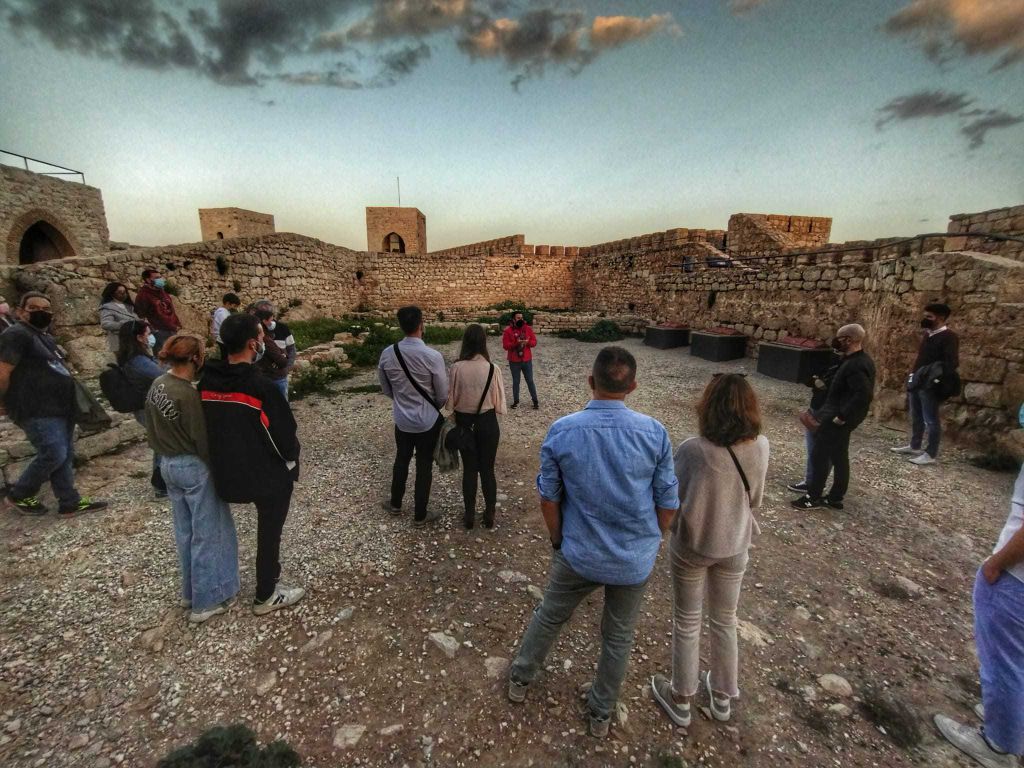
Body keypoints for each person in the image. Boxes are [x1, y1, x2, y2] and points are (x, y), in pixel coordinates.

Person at [508, 347, 679, 739]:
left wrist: (557, 540)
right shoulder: (655, 433)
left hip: (578, 553)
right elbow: (668, 502)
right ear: (633, 386)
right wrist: (650, 539)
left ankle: (521, 678)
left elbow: (549, 498)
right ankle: (601, 714)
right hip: (633, 559)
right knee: (618, 637)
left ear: (590, 381)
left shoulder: (563, 431)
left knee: (550, 616)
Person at [650, 373, 769, 728]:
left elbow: (673, 497)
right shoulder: (761, 446)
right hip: (735, 543)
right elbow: (756, 500)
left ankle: (681, 698)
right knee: (725, 619)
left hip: (694, 544)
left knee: (687, 621)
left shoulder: (693, 450)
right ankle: (722, 696)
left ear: (708, 406)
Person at [199, 313, 304, 616]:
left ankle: (209, 589)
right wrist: (291, 461)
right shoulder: (260, 387)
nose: (263, 340)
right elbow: (283, 434)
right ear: (251, 343)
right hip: (263, 475)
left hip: (224, 473)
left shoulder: (207, 381)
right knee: (269, 531)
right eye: (260, 335)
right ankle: (266, 593)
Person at [934, 425, 1024, 768]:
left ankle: (998, 744)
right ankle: (1012, 715)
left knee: (1003, 660)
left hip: (1016, 577)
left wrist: (996, 564)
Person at [145, 334, 240, 623]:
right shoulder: (187, 394)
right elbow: (202, 439)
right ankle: (207, 599)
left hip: (167, 463)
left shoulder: (158, 384)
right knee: (209, 532)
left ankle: (190, 592)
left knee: (185, 531)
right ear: (196, 358)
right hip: (192, 465)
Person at [0, 292, 108, 517]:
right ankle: (20, 493)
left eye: (46, 309)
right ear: (20, 311)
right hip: (35, 407)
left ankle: (69, 501)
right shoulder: (16, 334)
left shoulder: (43, 336)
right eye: (33, 308)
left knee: (65, 455)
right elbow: (3, 371)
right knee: (54, 452)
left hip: (59, 405)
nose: (41, 312)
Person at [791, 324, 875, 511]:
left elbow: (863, 395)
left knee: (820, 456)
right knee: (839, 457)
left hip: (836, 419)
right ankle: (835, 497)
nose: (836, 341)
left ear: (849, 340)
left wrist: (841, 417)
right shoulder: (858, 360)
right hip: (839, 416)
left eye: (839, 338)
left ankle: (813, 497)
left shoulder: (856, 365)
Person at [378, 306, 449, 527]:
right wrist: (432, 406)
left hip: (402, 419)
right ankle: (420, 514)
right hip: (427, 421)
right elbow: (442, 394)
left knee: (401, 459)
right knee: (424, 465)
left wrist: (402, 401)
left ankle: (395, 503)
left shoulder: (387, 353)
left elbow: (386, 389)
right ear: (421, 325)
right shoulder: (433, 356)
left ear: (401, 326)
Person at [446, 323, 507, 530]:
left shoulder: (456, 368)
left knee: (470, 469)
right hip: (488, 422)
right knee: (488, 469)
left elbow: (450, 402)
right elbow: (499, 403)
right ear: (483, 342)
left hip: (465, 423)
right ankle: (489, 513)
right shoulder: (493, 368)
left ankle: (469, 514)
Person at [891, 302, 960, 466]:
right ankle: (915, 446)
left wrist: (934, 379)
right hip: (917, 380)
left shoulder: (949, 337)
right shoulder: (928, 335)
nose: (925, 319)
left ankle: (930, 453)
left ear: (940, 318)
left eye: (930, 317)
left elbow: (950, 363)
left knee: (931, 419)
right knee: (916, 415)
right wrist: (913, 375)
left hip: (930, 385)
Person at [117, 320, 167, 498]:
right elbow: (162, 375)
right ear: (139, 337)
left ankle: (162, 482)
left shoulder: (135, 357)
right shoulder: (138, 361)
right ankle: (161, 484)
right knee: (163, 443)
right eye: (148, 333)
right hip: (148, 407)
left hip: (147, 406)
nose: (150, 337)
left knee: (161, 443)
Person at [787, 351, 841, 494]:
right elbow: (807, 376)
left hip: (829, 410)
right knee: (815, 447)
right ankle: (814, 481)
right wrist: (815, 381)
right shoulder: (829, 359)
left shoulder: (849, 364)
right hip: (819, 407)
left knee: (821, 449)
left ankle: (814, 483)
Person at [252, 300, 296, 401]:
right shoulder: (255, 332)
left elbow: (292, 349)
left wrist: (286, 369)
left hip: (278, 377)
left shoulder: (282, 328)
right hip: (262, 377)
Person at [135, 268, 181, 351]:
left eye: (160, 277)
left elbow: (170, 309)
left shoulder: (162, 292)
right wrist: (152, 330)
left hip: (172, 328)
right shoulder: (143, 295)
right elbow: (140, 315)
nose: (160, 280)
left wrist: (176, 324)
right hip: (159, 331)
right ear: (148, 280)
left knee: (174, 352)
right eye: (156, 278)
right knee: (162, 353)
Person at [502, 311, 539, 410]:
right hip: (514, 361)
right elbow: (505, 346)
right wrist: (516, 344)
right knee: (516, 381)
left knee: (530, 380)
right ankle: (516, 401)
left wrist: (528, 343)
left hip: (527, 360)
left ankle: (535, 401)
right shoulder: (508, 331)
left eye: (521, 318)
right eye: (518, 318)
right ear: (513, 319)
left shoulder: (528, 329)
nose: (521, 319)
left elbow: (534, 342)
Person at [99, 282, 140, 355]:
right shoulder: (107, 307)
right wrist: (124, 325)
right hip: (119, 342)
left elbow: (135, 319)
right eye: (120, 291)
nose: (123, 293)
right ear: (112, 293)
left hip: (134, 340)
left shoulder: (129, 306)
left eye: (124, 291)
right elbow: (105, 324)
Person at [211, 292, 240, 357]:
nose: (235, 308)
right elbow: (228, 328)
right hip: (222, 341)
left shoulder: (224, 312)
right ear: (228, 303)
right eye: (234, 306)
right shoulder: (222, 314)